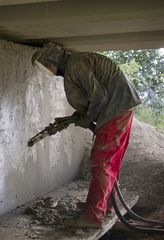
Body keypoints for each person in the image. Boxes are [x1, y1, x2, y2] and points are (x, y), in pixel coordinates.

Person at [31, 43, 142, 228]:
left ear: (53, 59)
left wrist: (88, 117)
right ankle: (104, 205)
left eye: (46, 65)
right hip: (120, 107)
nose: (48, 70)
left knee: (102, 162)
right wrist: (83, 116)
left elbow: (98, 97)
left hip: (115, 110)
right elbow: (95, 97)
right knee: (110, 162)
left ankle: (92, 216)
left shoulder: (75, 65)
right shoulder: (77, 63)